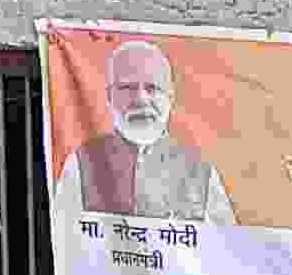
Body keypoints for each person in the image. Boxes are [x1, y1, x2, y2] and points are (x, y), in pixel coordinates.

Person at [56, 37, 228, 220]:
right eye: (127, 88)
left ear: (169, 98)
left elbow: (225, 235)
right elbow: (64, 233)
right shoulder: (82, 163)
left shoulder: (201, 170)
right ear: (109, 97)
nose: (140, 99)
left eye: (152, 88)